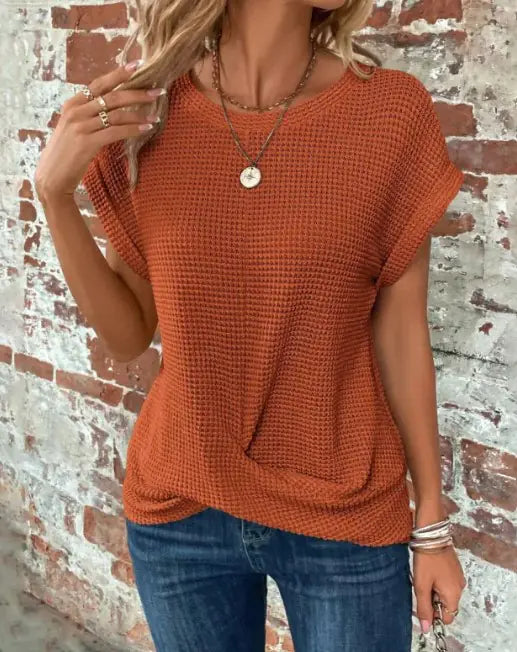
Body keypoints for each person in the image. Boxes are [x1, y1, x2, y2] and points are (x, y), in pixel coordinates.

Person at [35, 1, 467, 650]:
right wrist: (54, 197)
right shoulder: (148, 112)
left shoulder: (389, 114)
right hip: (180, 511)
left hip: (342, 515)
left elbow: (402, 331)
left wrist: (430, 523)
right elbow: (129, 336)